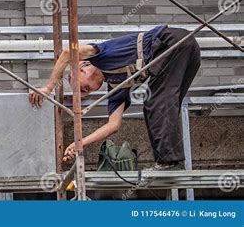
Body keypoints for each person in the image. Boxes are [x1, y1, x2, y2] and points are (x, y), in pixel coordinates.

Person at [29, 25, 201, 170]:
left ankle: (169, 162)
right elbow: (113, 125)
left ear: (81, 68)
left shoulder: (101, 54)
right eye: (82, 92)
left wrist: (48, 87)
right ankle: (171, 162)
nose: (82, 91)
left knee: (158, 102)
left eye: (76, 85)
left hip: (171, 42)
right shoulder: (117, 87)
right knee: (163, 104)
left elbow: (67, 54)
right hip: (187, 49)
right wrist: (81, 143)